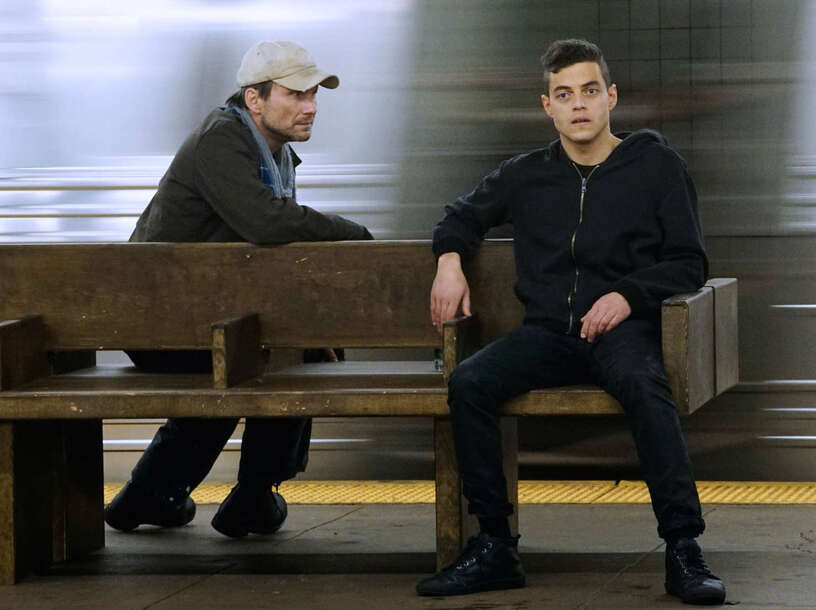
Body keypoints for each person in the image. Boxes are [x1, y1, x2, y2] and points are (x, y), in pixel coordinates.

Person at [418, 39, 726, 605]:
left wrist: (627, 296)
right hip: (548, 335)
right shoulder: (526, 174)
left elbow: (689, 261)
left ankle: (684, 548)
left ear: (611, 97)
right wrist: (449, 262)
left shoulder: (656, 165)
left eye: (589, 91)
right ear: (548, 107)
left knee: (644, 386)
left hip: (622, 332)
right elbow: (459, 216)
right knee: (468, 384)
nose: (578, 105)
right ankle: (495, 546)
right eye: (565, 95)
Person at [104, 41, 371, 539]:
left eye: (313, 94)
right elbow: (267, 223)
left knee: (265, 357)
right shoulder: (223, 140)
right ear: (255, 99)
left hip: (193, 315)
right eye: (295, 94)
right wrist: (351, 232)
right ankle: (252, 496)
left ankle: (150, 493)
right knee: (279, 361)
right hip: (158, 322)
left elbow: (272, 256)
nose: (311, 106)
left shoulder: (274, 154)